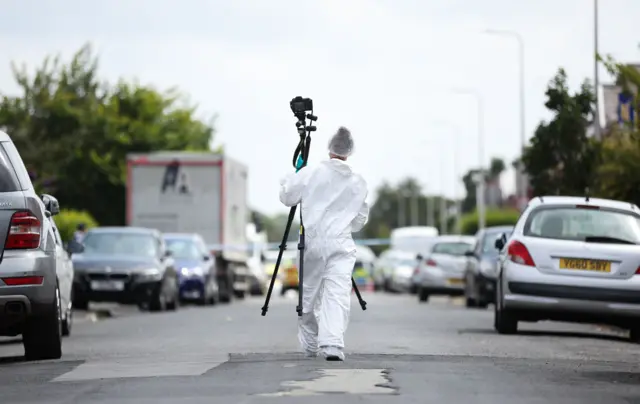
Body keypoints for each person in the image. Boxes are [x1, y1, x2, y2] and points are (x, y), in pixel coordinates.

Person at [279, 127, 369, 361]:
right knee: (337, 294)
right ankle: (332, 345)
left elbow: (287, 197)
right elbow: (359, 221)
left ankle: (310, 344)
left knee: (308, 295)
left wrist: (294, 175)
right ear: (349, 152)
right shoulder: (358, 181)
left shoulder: (310, 173)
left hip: (313, 242)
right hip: (341, 244)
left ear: (329, 149)